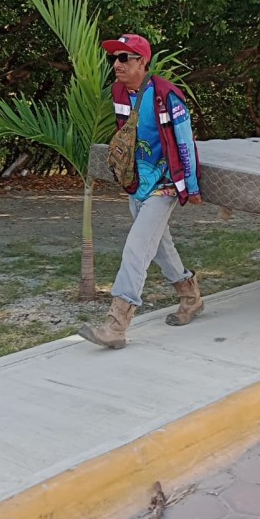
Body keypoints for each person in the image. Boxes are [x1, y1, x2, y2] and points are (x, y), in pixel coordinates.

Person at [79, 33, 204, 350]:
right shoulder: (119, 92)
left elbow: (185, 142)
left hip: (163, 187)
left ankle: (116, 325)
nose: (116, 64)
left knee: (136, 248)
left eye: (124, 58)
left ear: (142, 62)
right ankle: (190, 296)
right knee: (160, 247)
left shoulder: (166, 95)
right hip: (137, 185)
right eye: (114, 58)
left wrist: (190, 186)